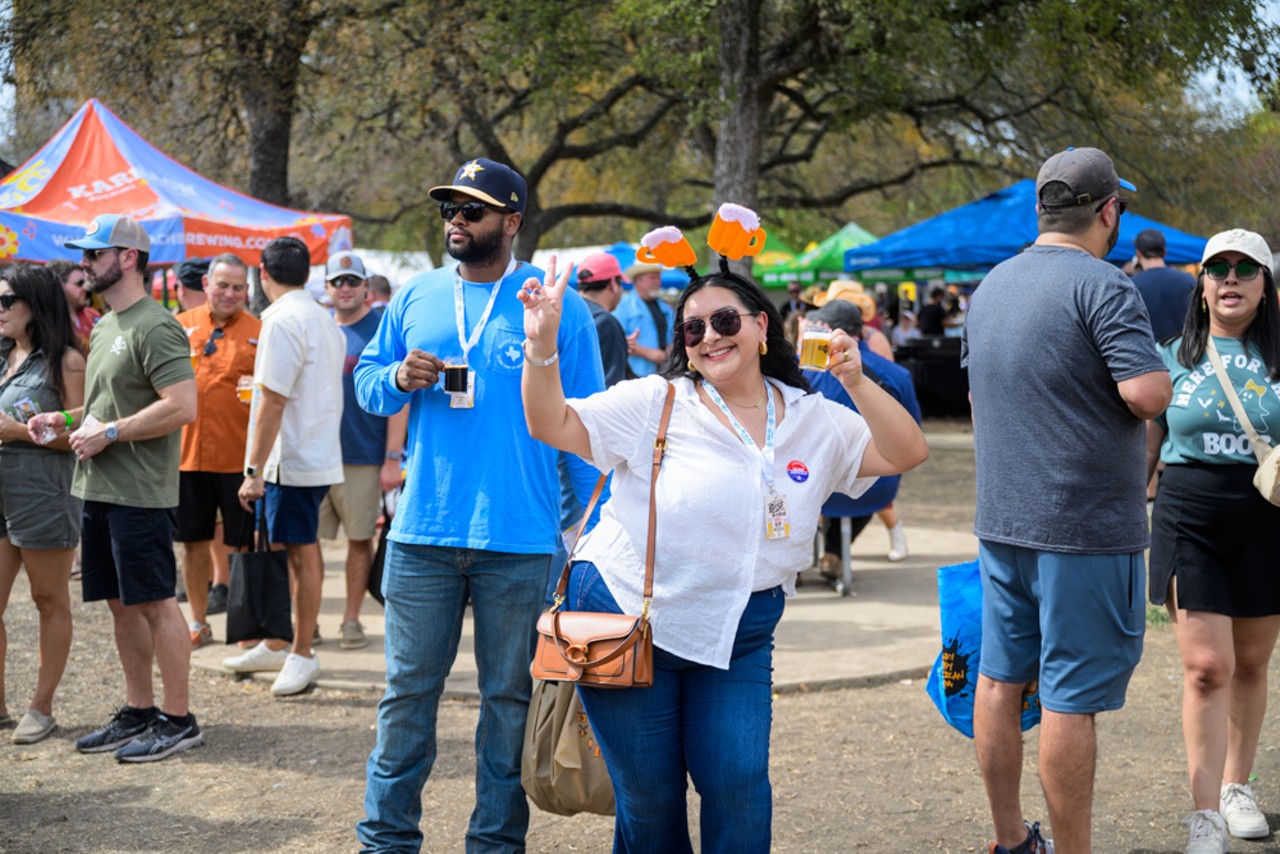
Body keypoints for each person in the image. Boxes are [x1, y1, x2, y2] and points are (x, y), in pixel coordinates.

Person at [519, 247, 928, 852]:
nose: (709, 336)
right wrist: (542, 348)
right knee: (652, 799)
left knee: (739, 786)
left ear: (763, 326)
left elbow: (905, 452)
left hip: (743, 626)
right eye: (693, 328)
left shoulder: (815, 418)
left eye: (725, 321)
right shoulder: (655, 402)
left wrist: (855, 379)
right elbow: (551, 424)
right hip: (627, 617)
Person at [353, 157, 604, 852]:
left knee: (509, 705)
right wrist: (399, 375)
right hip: (421, 534)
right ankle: (386, 841)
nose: (455, 222)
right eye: (448, 210)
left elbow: (586, 423)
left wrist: (591, 525)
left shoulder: (556, 304)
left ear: (512, 221)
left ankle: (495, 844)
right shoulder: (415, 296)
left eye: (472, 210)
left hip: (520, 539)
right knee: (406, 699)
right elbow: (369, 386)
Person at [962, 147, 1172, 853]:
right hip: (1082, 529)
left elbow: (974, 395)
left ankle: (1009, 840)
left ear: (1041, 210)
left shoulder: (990, 286)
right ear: (1109, 210)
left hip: (1003, 521)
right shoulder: (1105, 285)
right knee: (1069, 697)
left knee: (999, 680)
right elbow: (1145, 394)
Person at [29, 214, 202, 762]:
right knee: (120, 605)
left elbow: (182, 406)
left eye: (94, 253)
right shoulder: (104, 325)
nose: (85, 263)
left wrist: (108, 432)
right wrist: (64, 418)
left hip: (141, 492)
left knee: (155, 604)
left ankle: (179, 719)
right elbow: (108, 411)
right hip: (99, 487)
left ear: (128, 257)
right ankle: (139, 710)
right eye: (84, 255)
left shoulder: (157, 324)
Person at [1145, 229, 1280, 854]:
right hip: (1189, 515)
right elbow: (1145, 442)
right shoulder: (1171, 355)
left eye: (1245, 269)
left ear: (1265, 284)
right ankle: (1204, 815)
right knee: (1207, 668)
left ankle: (1236, 786)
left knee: (1252, 664)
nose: (1230, 279)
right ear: (1200, 284)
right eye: (1218, 268)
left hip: (1267, 518)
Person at [223, 237, 345, 697]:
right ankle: (281, 641)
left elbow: (272, 400)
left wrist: (252, 470)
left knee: (299, 551)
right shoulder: (319, 317)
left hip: (292, 458)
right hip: (305, 453)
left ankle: (302, 651)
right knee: (290, 550)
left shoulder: (282, 319)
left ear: (261, 274)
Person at [0, 265, 85, 745]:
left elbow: (83, 435)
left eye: (6, 301)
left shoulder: (66, 361)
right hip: (2, 489)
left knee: (47, 598)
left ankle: (42, 706)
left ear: (36, 304)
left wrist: (15, 431)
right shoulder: (3, 356)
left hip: (44, 491)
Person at [318, 251, 406, 650]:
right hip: (315, 456)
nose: (346, 288)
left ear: (367, 289)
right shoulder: (317, 328)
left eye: (353, 281)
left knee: (358, 541)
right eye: (338, 281)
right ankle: (308, 620)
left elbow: (400, 398)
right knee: (305, 544)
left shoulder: (382, 329)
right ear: (327, 289)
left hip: (363, 456)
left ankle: (350, 620)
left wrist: (391, 458)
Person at [800, 299, 921, 580]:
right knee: (866, 483)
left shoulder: (803, 372)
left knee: (805, 479)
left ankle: (804, 557)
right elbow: (913, 429)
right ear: (862, 331)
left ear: (828, 330)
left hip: (818, 486)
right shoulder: (897, 374)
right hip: (879, 486)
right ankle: (834, 553)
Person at [174, 253, 258, 649]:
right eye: (222, 285)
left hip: (240, 461)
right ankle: (197, 620)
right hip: (188, 457)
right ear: (205, 285)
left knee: (244, 546)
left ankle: (245, 625)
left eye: (238, 287)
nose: (229, 294)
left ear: (247, 290)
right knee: (193, 543)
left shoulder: (260, 331)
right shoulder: (179, 327)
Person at [575, 251, 632, 387]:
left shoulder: (563, 312)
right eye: (620, 284)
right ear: (613, 284)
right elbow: (613, 387)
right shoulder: (607, 324)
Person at [1132, 228, 1196, 342]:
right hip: (1183, 353)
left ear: (1138, 253)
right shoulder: (1188, 280)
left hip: (1148, 354)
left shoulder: (1131, 285)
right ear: (1164, 252)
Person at [614, 261, 673, 377]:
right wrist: (649, 353)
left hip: (665, 372)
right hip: (635, 374)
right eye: (653, 278)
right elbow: (618, 339)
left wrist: (668, 352)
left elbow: (674, 335)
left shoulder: (665, 307)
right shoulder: (622, 305)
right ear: (638, 280)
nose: (658, 282)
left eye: (658, 278)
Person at [47, 259, 97, 353]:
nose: (86, 288)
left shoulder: (92, 314)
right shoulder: (47, 322)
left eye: (86, 282)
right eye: (80, 283)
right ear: (58, 286)